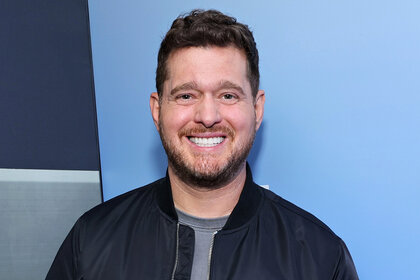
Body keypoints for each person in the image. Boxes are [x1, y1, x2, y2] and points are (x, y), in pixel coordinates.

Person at [46, 9, 358, 280]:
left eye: (228, 95)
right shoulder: (91, 240)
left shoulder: (319, 257)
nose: (207, 116)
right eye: (186, 95)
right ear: (157, 110)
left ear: (257, 109)